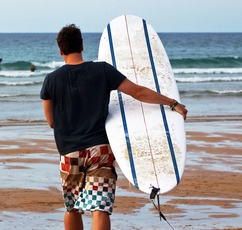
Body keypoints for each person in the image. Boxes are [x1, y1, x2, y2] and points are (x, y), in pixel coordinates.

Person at [40, 24, 187, 230]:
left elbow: (51, 122)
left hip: (69, 151)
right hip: (100, 150)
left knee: (72, 207)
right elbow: (138, 92)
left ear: (60, 51)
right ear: (82, 46)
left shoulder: (51, 81)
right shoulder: (102, 70)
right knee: (99, 207)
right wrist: (172, 103)